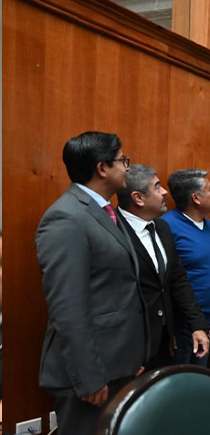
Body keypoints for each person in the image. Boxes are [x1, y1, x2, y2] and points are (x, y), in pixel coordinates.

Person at [35, 131, 148, 434]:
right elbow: (67, 307)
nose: (128, 168)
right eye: (123, 161)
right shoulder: (66, 217)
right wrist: (89, 376)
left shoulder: (107, 213)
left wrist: (131, 358)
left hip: (117, 366)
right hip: (90, 375)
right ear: (102, 168)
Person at [117, 165, 210, 369]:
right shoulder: (113, 231)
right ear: (138, 198)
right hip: (129, 348)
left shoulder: (162, 228)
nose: (164, 192)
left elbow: (178, 280)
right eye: (157, 187)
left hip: (165, 343)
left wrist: (197, 326)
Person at [161, 169, 210, 366]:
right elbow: (167, 279)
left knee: (198, 382)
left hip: (207, 322)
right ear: (196, 197)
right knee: (179, 385)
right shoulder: (167, 226)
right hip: (181, 323)